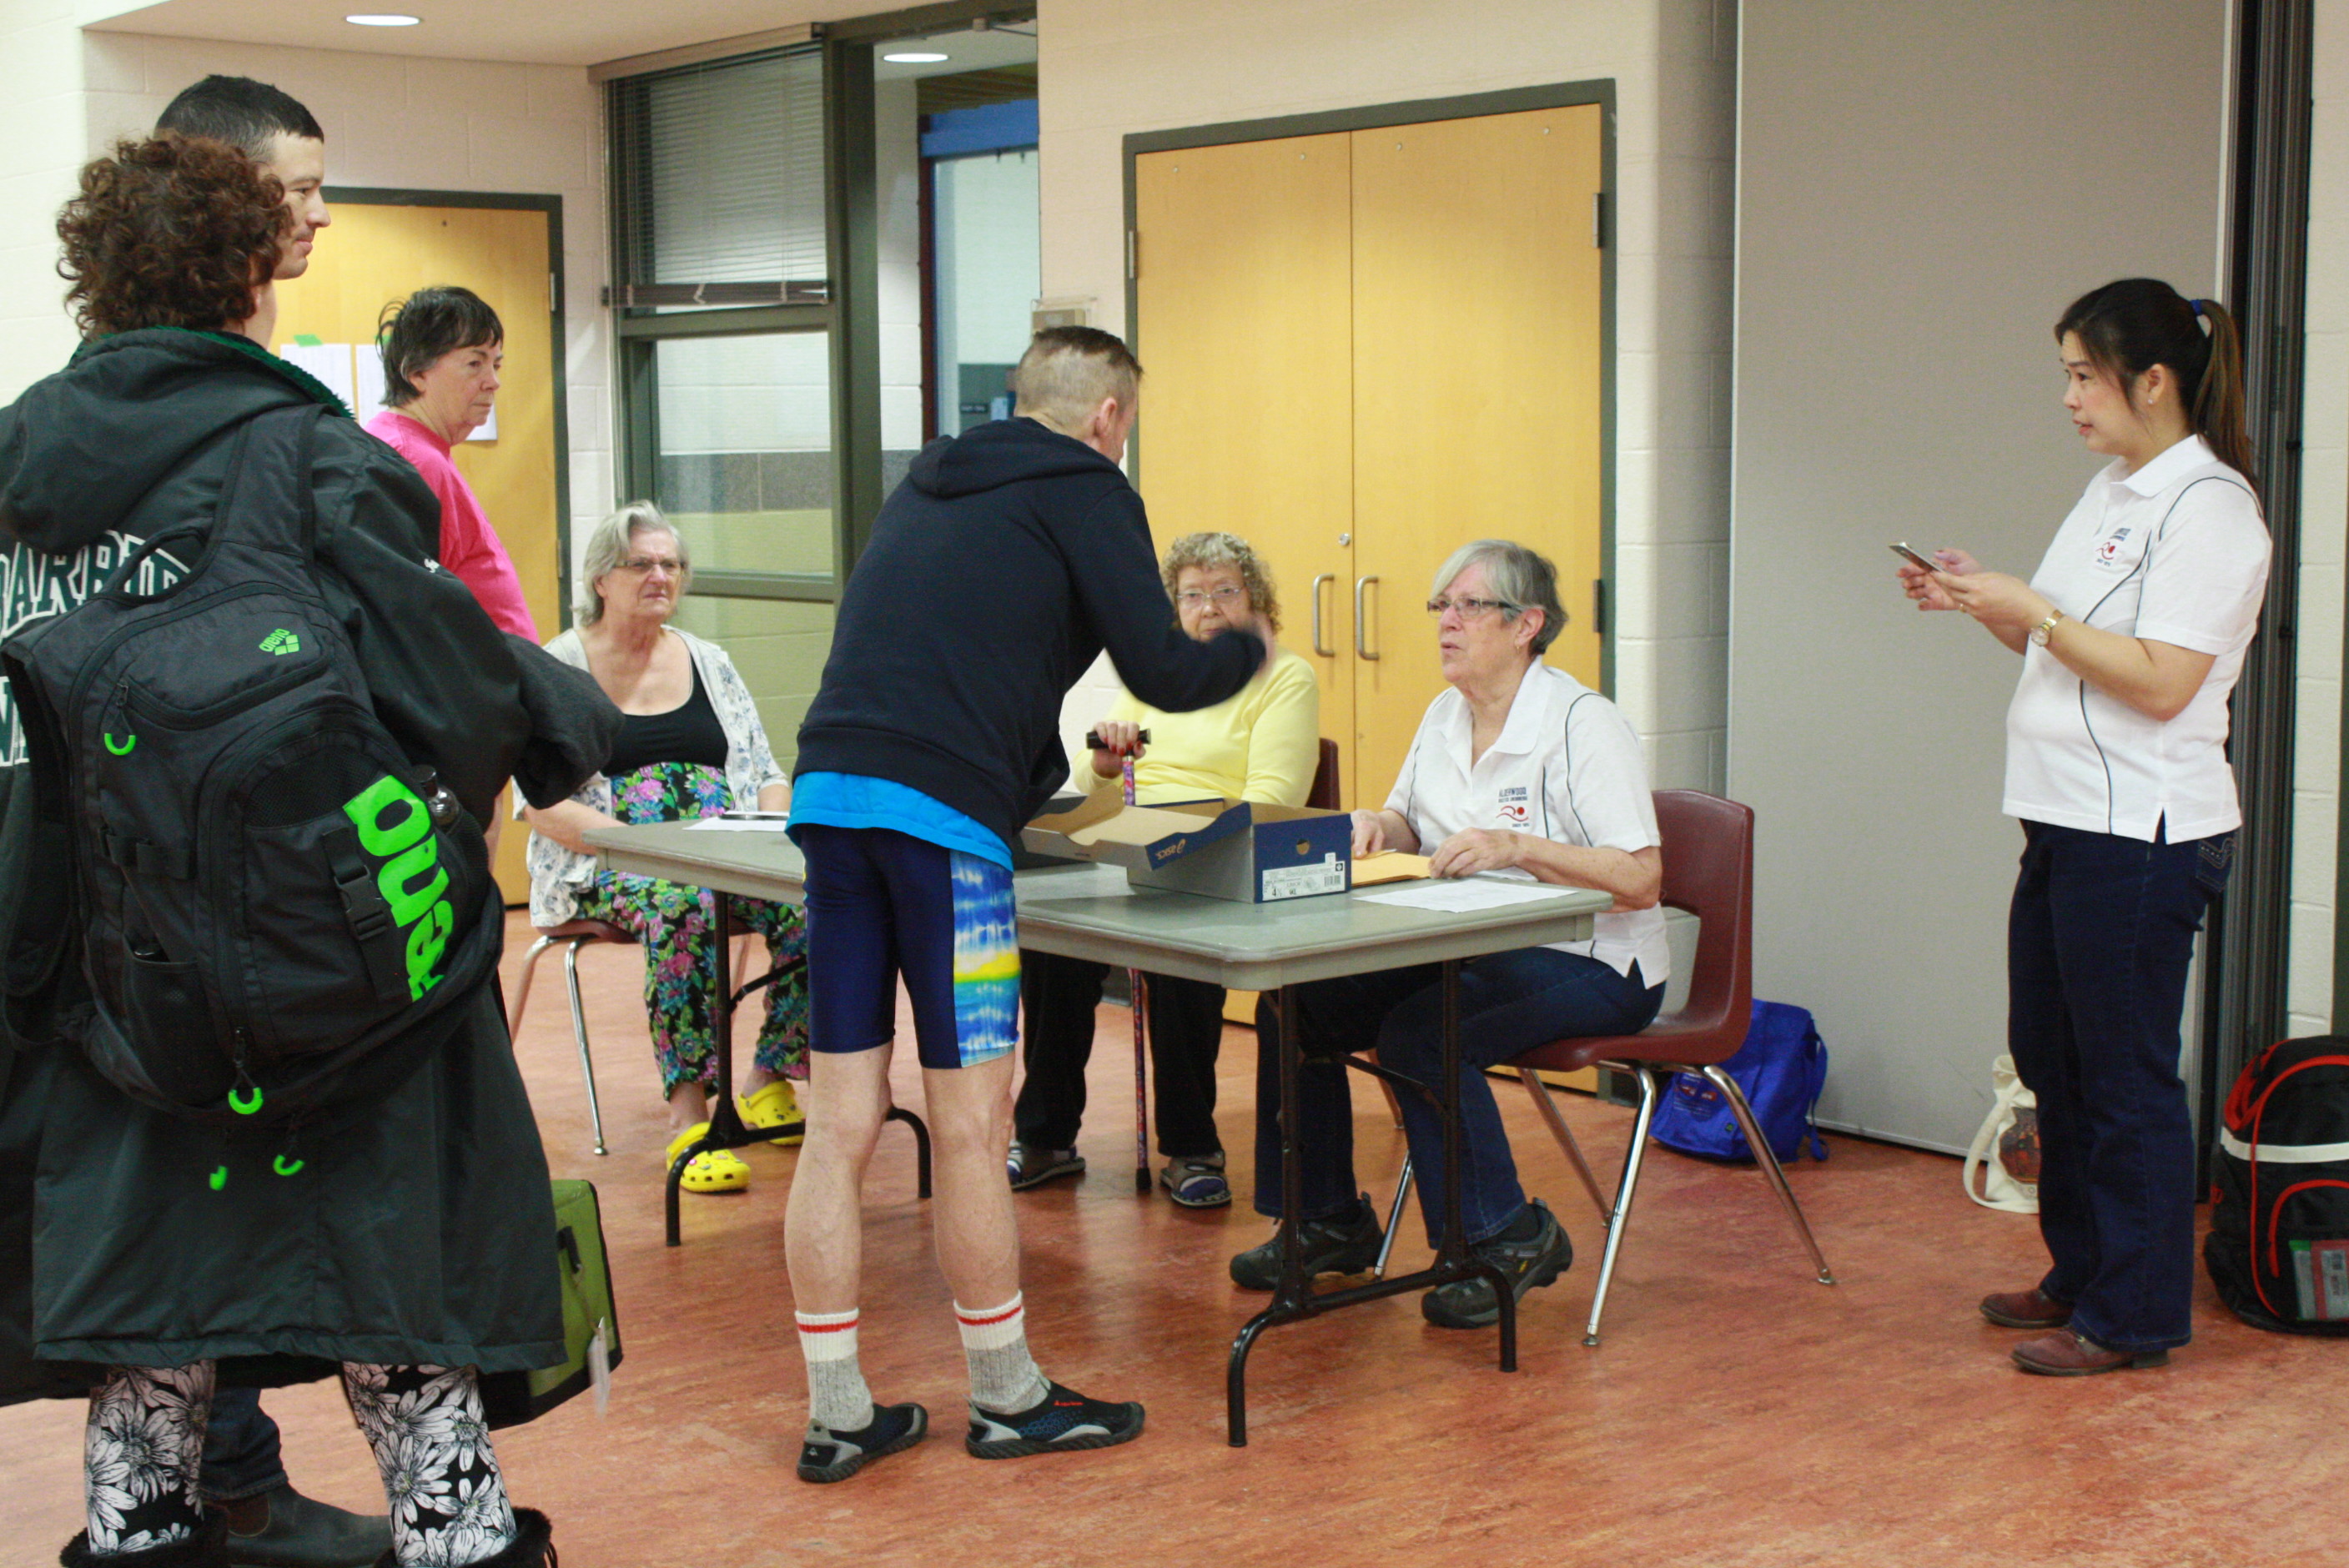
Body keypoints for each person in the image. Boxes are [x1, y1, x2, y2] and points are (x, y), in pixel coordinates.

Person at [0, 132, 611, 1568]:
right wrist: (570, 727)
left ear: (92, 274)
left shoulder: (19, 460)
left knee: (152, 1341)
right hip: (315, 977)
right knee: (395, 1304)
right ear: (251, 271)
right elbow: (450, 684)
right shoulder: (297, 452)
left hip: (92, 976)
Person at [782, 326, 1271, 1480]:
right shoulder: (1090, 487)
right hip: (942, 825)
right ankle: (1006, 1397)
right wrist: (1244, 649)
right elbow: (1161, 669)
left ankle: (838, 1411)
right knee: (970, 1119)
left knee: (841, 1119)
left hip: (832, 797)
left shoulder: (930, 479)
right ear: (1109, 416)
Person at [1896, 279, 2269, 1376]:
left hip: (2143, 834)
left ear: (2152, 379)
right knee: (2059, 1064)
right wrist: (1986, 603)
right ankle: (2081, 1272)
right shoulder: (2112, 491)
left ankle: (2135, 1315)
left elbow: (2160, 683)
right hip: (2063, 819)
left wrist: (2034, 610)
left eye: (2081, 374)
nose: (2067, 397)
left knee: (2123, 1077)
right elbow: (2061, 644)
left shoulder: (2212, 510)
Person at [1227, 539, 1668, 1330]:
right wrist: (1373, 823)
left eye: (1468, 607)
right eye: (1441, 607)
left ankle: (1507, 1235)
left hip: (1595, 957)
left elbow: (1640, 878)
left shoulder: (1583, 723)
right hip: (1465, 942)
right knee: (1297, 1004)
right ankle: (1327, 1222)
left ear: (1526, 624)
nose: (1446, 623)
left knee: (1424, 1035)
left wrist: (1520, 847)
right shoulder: (1443, 714)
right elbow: (1409, 822)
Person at [151, 73, 380, 1568]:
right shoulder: (199, 419)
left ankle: (217, 1470)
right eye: (291, 190)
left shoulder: (274, 397)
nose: (312, 216)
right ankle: (209, 1482)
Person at [1009, 530, 1320, 1207]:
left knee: (1177, 958)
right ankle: (1045, 1136)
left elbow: (1274, 799)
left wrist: (1178, 830)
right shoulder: (1157, 682)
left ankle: (1191, 1145)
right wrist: (1106, 768)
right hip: (1131, 848)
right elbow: (1101, 796)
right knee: (1055, 945)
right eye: (1192, 596)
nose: (1208, 608)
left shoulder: (1284, 677)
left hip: (1218, 861)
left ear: (1255, 598)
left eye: (1226, 592)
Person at [521, 501, 809, 1193]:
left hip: (725, 852)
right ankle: (691, 1116)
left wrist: (773, 835)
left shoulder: (709, 660)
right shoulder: (557, 668)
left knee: (824, 902)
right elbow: (538, 803)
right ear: (601, 579)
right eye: (642, 564)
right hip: (610, 862)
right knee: (683, 908)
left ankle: (769, 1077)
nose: (661, 576)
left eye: (671, 565)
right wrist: (643, 851)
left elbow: (767, 772)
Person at [365, 288, 536, 641]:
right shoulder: (409, 458)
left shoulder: (424, 449)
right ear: (416, 372)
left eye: (496, 364)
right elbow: (407, 610)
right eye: (475, 364)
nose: (493, 381)